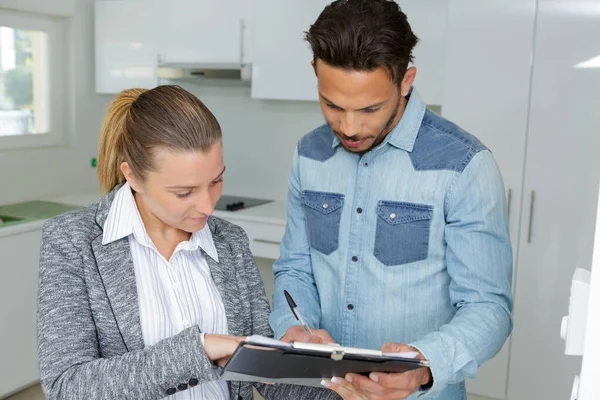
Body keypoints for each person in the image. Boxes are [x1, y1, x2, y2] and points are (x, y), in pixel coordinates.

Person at [269, 1, 513, 399]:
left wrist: (424, 363)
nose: (349, 127)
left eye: (370, 108)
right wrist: (292, 328)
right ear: (315, 72)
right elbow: (296, 269)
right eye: (332, 104)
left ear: (406, 81)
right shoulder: (308, 155)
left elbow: (488, 307)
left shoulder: (464, 165)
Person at [37, 85, 338, 400]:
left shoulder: (230, 241)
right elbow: (67, 386)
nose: (208, 206)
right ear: (133, 176)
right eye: (184, 192)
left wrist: (330, 377)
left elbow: (263, 369)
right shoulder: (72, 242)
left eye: (216, 181)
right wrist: (200, 349)